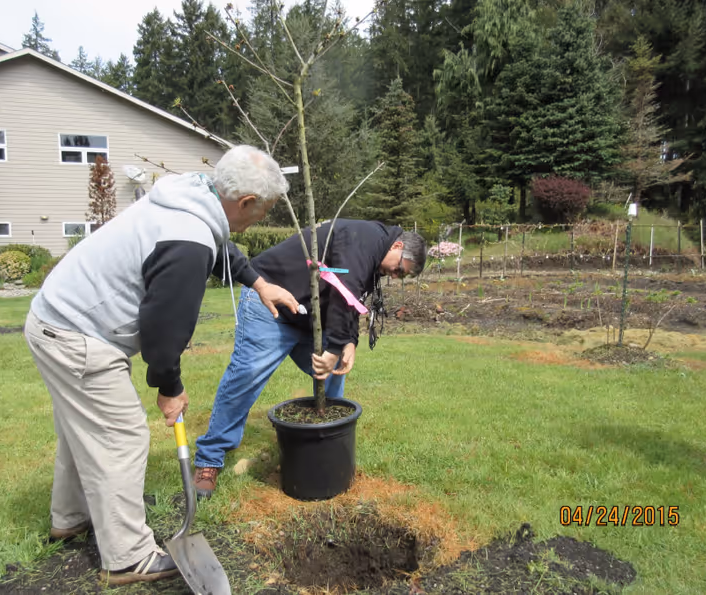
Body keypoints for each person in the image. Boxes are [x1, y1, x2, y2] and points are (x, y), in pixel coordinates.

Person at [23, 145, 299, 585]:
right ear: (245, 202)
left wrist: (259, 283)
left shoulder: (193, 193)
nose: (259, 220)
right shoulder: (187, 241)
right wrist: (169, 386)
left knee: (85, 428)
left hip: (57, 316)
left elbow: (222, 244)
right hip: (77, 334)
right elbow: (162, 331)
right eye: (262, 212)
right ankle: (128, 557)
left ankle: (70, 518)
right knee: (121, 436)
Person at [192, 219, 427, 498]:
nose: (395, 275)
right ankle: (210, 458)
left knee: (335, 372)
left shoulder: (374, 250)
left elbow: (351, 295)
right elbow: (345, 287)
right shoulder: (364, 240)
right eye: (399, 269)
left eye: (401, 275)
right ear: (398, 246)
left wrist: (349, 341)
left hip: (307, 316)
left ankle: (325, 444)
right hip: (270, 304)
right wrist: (336, 346)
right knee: (246, 376)